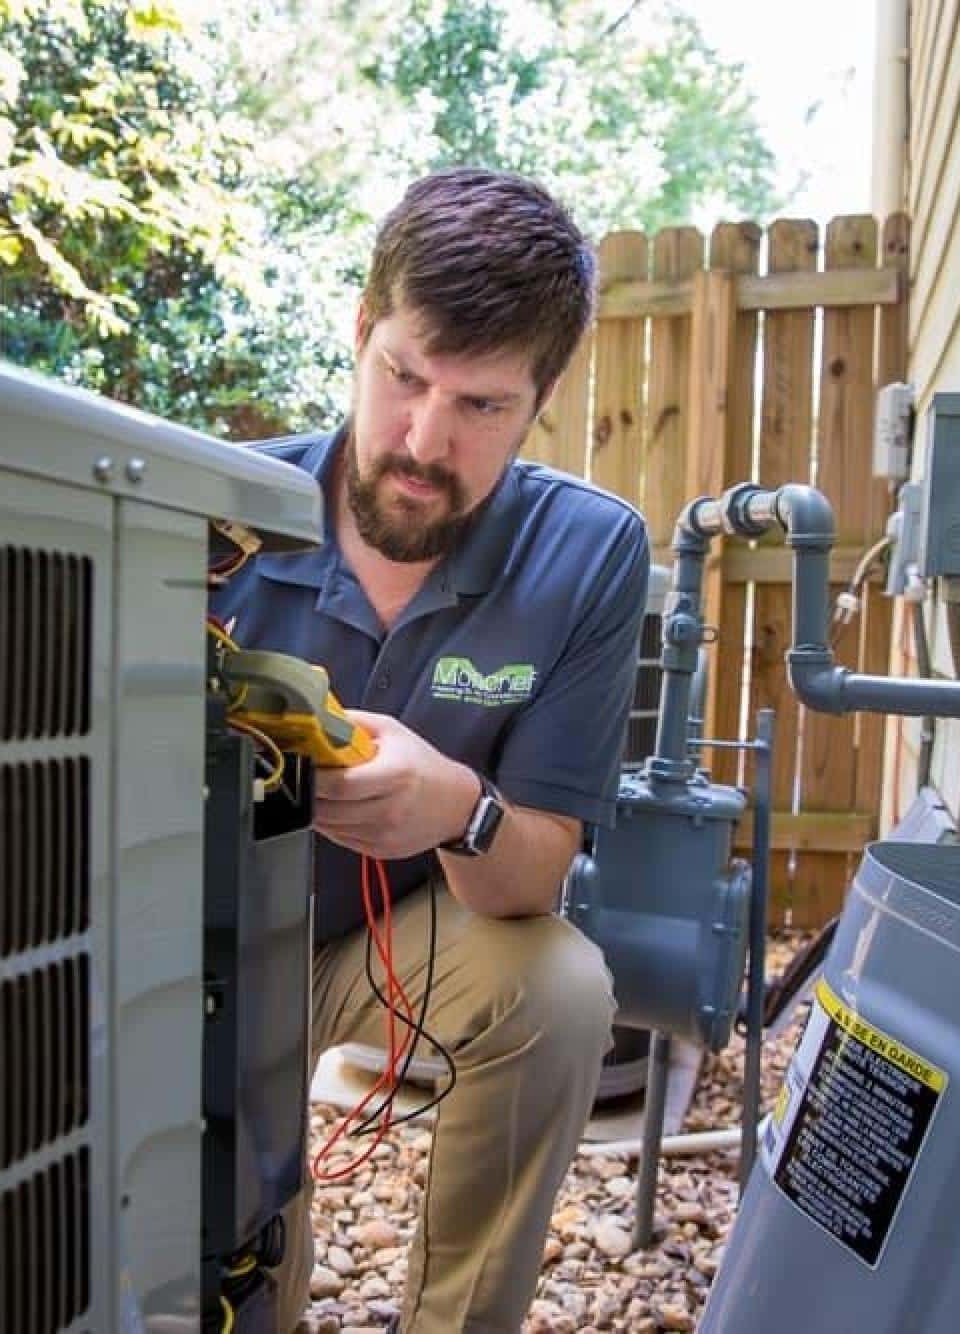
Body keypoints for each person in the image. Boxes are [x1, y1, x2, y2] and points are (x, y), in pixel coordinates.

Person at [209, 167, 650, 1334]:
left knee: (557, 987)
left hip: (401, 938)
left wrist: (461, 804)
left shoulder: (588, 553)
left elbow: (534, 872)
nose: (420, 437)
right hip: (203, 937)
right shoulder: (218, 518)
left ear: (539, 399)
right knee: (231, 1262)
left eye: (479, 405)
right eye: (402, 375)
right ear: (360, 333)